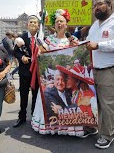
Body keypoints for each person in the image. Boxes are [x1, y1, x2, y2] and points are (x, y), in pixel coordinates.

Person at [32, 9, 93, 138]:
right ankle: (51, 126)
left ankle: (70, 127)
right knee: (50, 100)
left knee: (69, 101)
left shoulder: (72, 39)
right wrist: (41, 52)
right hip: (53, 78)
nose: (59, 24)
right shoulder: (48, 40)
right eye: (57, 22)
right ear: (54, 25)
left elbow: (81, 55)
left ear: (66, 24)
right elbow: (41, 56)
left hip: (67, 79)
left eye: (62, 21)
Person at [85, 0, 114, 149]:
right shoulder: (94, 26)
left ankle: (107, 135)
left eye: (100, 4)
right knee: (93, 103)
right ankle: (93, 127)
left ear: (109, 5)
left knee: (108, 104)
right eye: (95, 6)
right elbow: (88, 44)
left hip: (110, 70)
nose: (96, 7)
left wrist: (98, 45)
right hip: (93, 70)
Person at [12, 15, 41, 128]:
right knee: (24, 95)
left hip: (37, 72)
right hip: (25, 71)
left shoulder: (42, 37)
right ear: (27, 25)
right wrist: (21, 57)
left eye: (35, 22)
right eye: (31, 22)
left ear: (38, 25)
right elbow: (15, 52)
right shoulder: (22, 37)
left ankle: (34, 117)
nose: (33, 24)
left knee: (35, 95)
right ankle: (22, 117)